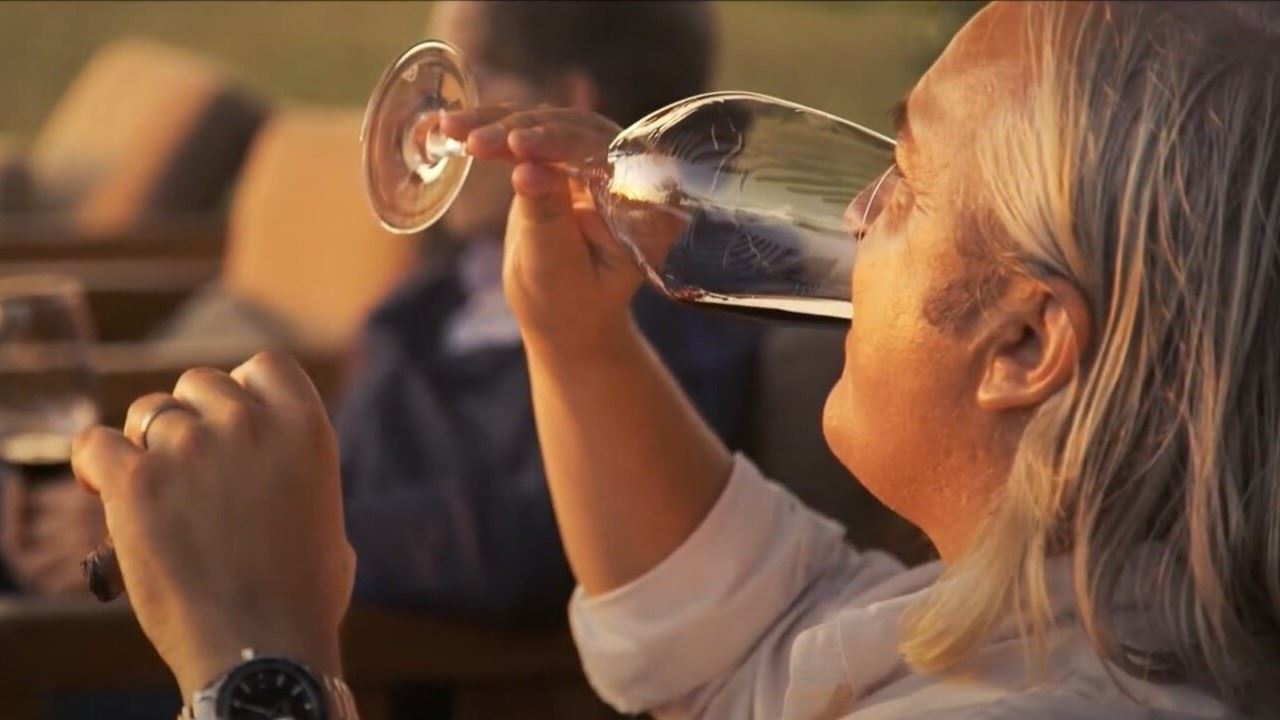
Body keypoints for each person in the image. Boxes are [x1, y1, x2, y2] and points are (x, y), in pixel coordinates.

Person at [70, 1, 1280, 718]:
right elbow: (739, 633)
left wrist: (257, 661)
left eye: (905, 178)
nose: (856, 214)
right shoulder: (1050, 627)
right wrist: (575, 336)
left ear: (1021, 342)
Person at [335, 0, 760, 623]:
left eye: (450, 86)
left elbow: (538, 544)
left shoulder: (668, 302)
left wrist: (300, 538)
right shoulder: (447, 286)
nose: (419, 124)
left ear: (558, 103)